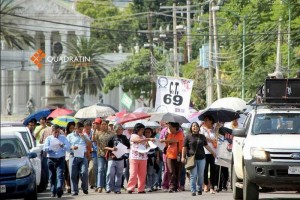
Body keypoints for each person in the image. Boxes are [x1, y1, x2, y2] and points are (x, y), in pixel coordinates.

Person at [182, 122, 216, 196]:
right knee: (193, 175)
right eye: (193, 126)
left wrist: (213, 152)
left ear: (198, 128)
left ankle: (199, 188)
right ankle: (193, 190)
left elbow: (206, 146)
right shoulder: (187, 137)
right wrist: (183, 157)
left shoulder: (202, 137)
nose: (195, 127)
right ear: (191, 128)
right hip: (191, 158)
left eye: (196, 126)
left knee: (200, 175)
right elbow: (184, 148)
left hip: (201, 158)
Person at [127, 123, 155, 194]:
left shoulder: (143, 137)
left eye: (143, 129)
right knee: (133, 173)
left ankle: (141, 189)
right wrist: (148, 139)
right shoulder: (133, 136)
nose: (143, 131)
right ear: (137, 129)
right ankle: (130, 188)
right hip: (134, 158)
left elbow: (146, 146)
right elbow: (138, 140)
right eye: (141, 129)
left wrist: (149, 143)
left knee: (142, 174)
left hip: (143, 158)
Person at [43, 125, 71, 198]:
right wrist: (51, 148)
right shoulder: (48, 138)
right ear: (52, 131)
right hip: (51, 159)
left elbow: (68, 147)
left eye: (58, 132)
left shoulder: (63, 138)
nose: (57, 134)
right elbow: (44, 148)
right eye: (55, 132)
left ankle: (59, 189)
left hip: (60, 158)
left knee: (60, 175)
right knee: (52, 176)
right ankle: (53, 191)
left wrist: (63, 146)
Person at [67, 122, 91, 196]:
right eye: (79, 129)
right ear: (75, 129)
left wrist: (83, 137)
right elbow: (66, 146)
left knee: (84, 172)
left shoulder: (84, 135)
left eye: (82, 129)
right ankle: (74, 191)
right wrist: (72, 147)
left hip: (83, 156)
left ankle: (84, 188)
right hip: (73, 155)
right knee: (73, 174)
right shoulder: (70, 136)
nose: (81, 131)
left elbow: (89, 144)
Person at [105, 123, 130, 194]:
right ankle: (109, 187)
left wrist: (124, 148)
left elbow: (128, 146)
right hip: (112, 158)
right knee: (110, 173)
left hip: (121, 159)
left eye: (121, 129)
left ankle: (117, 189)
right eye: (119, 129)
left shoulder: (124, 137)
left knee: (119, 174)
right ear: (116, 129)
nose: (121, 130)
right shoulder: (111, 137)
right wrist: (112, 149)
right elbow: (105, 147)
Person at [160, 122, 184, 193]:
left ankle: (176, 186)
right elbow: (167, 143)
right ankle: (171, 186)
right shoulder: (169, 134)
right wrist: (165, 138)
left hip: (178, 155)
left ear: (175, 127)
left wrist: (165, 140)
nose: (169, 128)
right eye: (168, 127)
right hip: (169, 155)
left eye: (170, 127)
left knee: (177, 171)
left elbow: (175, 140)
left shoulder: (180, 133)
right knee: (170, 171)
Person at [92, 118, 112, 193]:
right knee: (100, 169)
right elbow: (93, 139)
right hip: (100, 153)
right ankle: (99, 186)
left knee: (107, 170)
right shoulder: (98, 133)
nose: (103, 126)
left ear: (107, 125)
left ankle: (107, 186)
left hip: (109, 153)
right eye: (102, 124)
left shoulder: (111, 133)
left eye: (105, 124)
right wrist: (94, 129)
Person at [201, 115, 218, 194]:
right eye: (205, 120)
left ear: (211, 121)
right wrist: (212, 140)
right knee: (204, 169)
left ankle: (212, 187)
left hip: (214, 152)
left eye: (207, 120)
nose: (205, 121)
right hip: (205, 152)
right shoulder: (202, 129)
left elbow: (217, 138)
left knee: (213, 170)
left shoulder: (214, 130)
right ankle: (205, 185)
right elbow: (203, 138)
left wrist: (217, 128)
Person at [144, 127, 159, 192]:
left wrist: (157, 158)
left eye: (149, 132)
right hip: (144, 158)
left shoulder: (153, 140)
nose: (147, 133)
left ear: (151, 133)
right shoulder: (142, 139)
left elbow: (157, 150)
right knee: (144, 173)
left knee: (150, 172)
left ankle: (150, 186)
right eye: (146, 132)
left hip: (152, 158)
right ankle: (144, 185)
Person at [83, 120, 97, 190]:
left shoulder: (93, 133)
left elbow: (95, 143)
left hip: (92, 153)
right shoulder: (82, 133)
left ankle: (92, 183)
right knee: (84, 170)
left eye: (89, 127)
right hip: (84, 154)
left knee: (92, 168)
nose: (88, 129)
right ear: (84, 127)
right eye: (86, 128)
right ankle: (85, 182)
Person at [64, 122, 75, 193]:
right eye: (70, 128)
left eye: (73, 128)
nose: (72, 129)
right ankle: (67, 185)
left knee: (74, 172)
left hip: (76, 155)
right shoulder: (66, 136)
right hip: (68, 155)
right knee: (68, 171)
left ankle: (73, 185)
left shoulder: (77, 135)